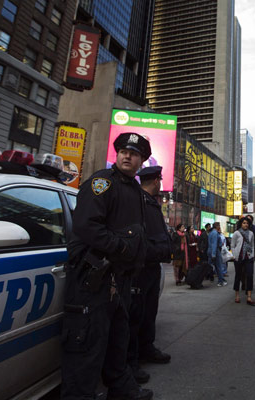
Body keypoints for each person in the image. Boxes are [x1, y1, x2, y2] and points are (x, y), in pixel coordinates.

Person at [62, 132, 153, 400]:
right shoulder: (102, 183)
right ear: (117, 154)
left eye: (134, 153)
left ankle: (121, 389)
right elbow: (86, 226)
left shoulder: (135, 190)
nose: (128, 155)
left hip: (120, 278)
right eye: (124, 151)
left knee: (117, 339)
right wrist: (121, 247)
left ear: (142, 160)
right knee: (86, 346)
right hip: (94, 277)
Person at [127, 166, 172, 385]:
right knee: (135, 315)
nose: (161, 184)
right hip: (140, 266)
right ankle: (131, 362)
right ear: (155, 181)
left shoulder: (153, 202)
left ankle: (147, 348)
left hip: (153, 265)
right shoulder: (137, 201)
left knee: (149, 311)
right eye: (160, 180)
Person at [231, 216, 255, 305]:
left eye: (247, 223)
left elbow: (252, 245)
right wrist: (234, 255)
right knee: (238, 276)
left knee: (249, 275)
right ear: (241, 224)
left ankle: (249, 296)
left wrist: (252, 254)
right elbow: (233, 245)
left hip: (248, 258)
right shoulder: (236, 233)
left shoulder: (251, 234)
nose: (246, 225)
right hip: (238, 258)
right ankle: (237, 295)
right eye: (244, 223)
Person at [208, 222, 227, 286]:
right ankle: (220, 281)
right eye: (219, 225)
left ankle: (221, 279)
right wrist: (214, 254)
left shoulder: (211, 233)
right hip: (216, 252)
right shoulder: (215, 233)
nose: (219, 227)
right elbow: (214, 244)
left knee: (214, 266)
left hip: (210, 251)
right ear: (217, 226)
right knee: (218, 266)